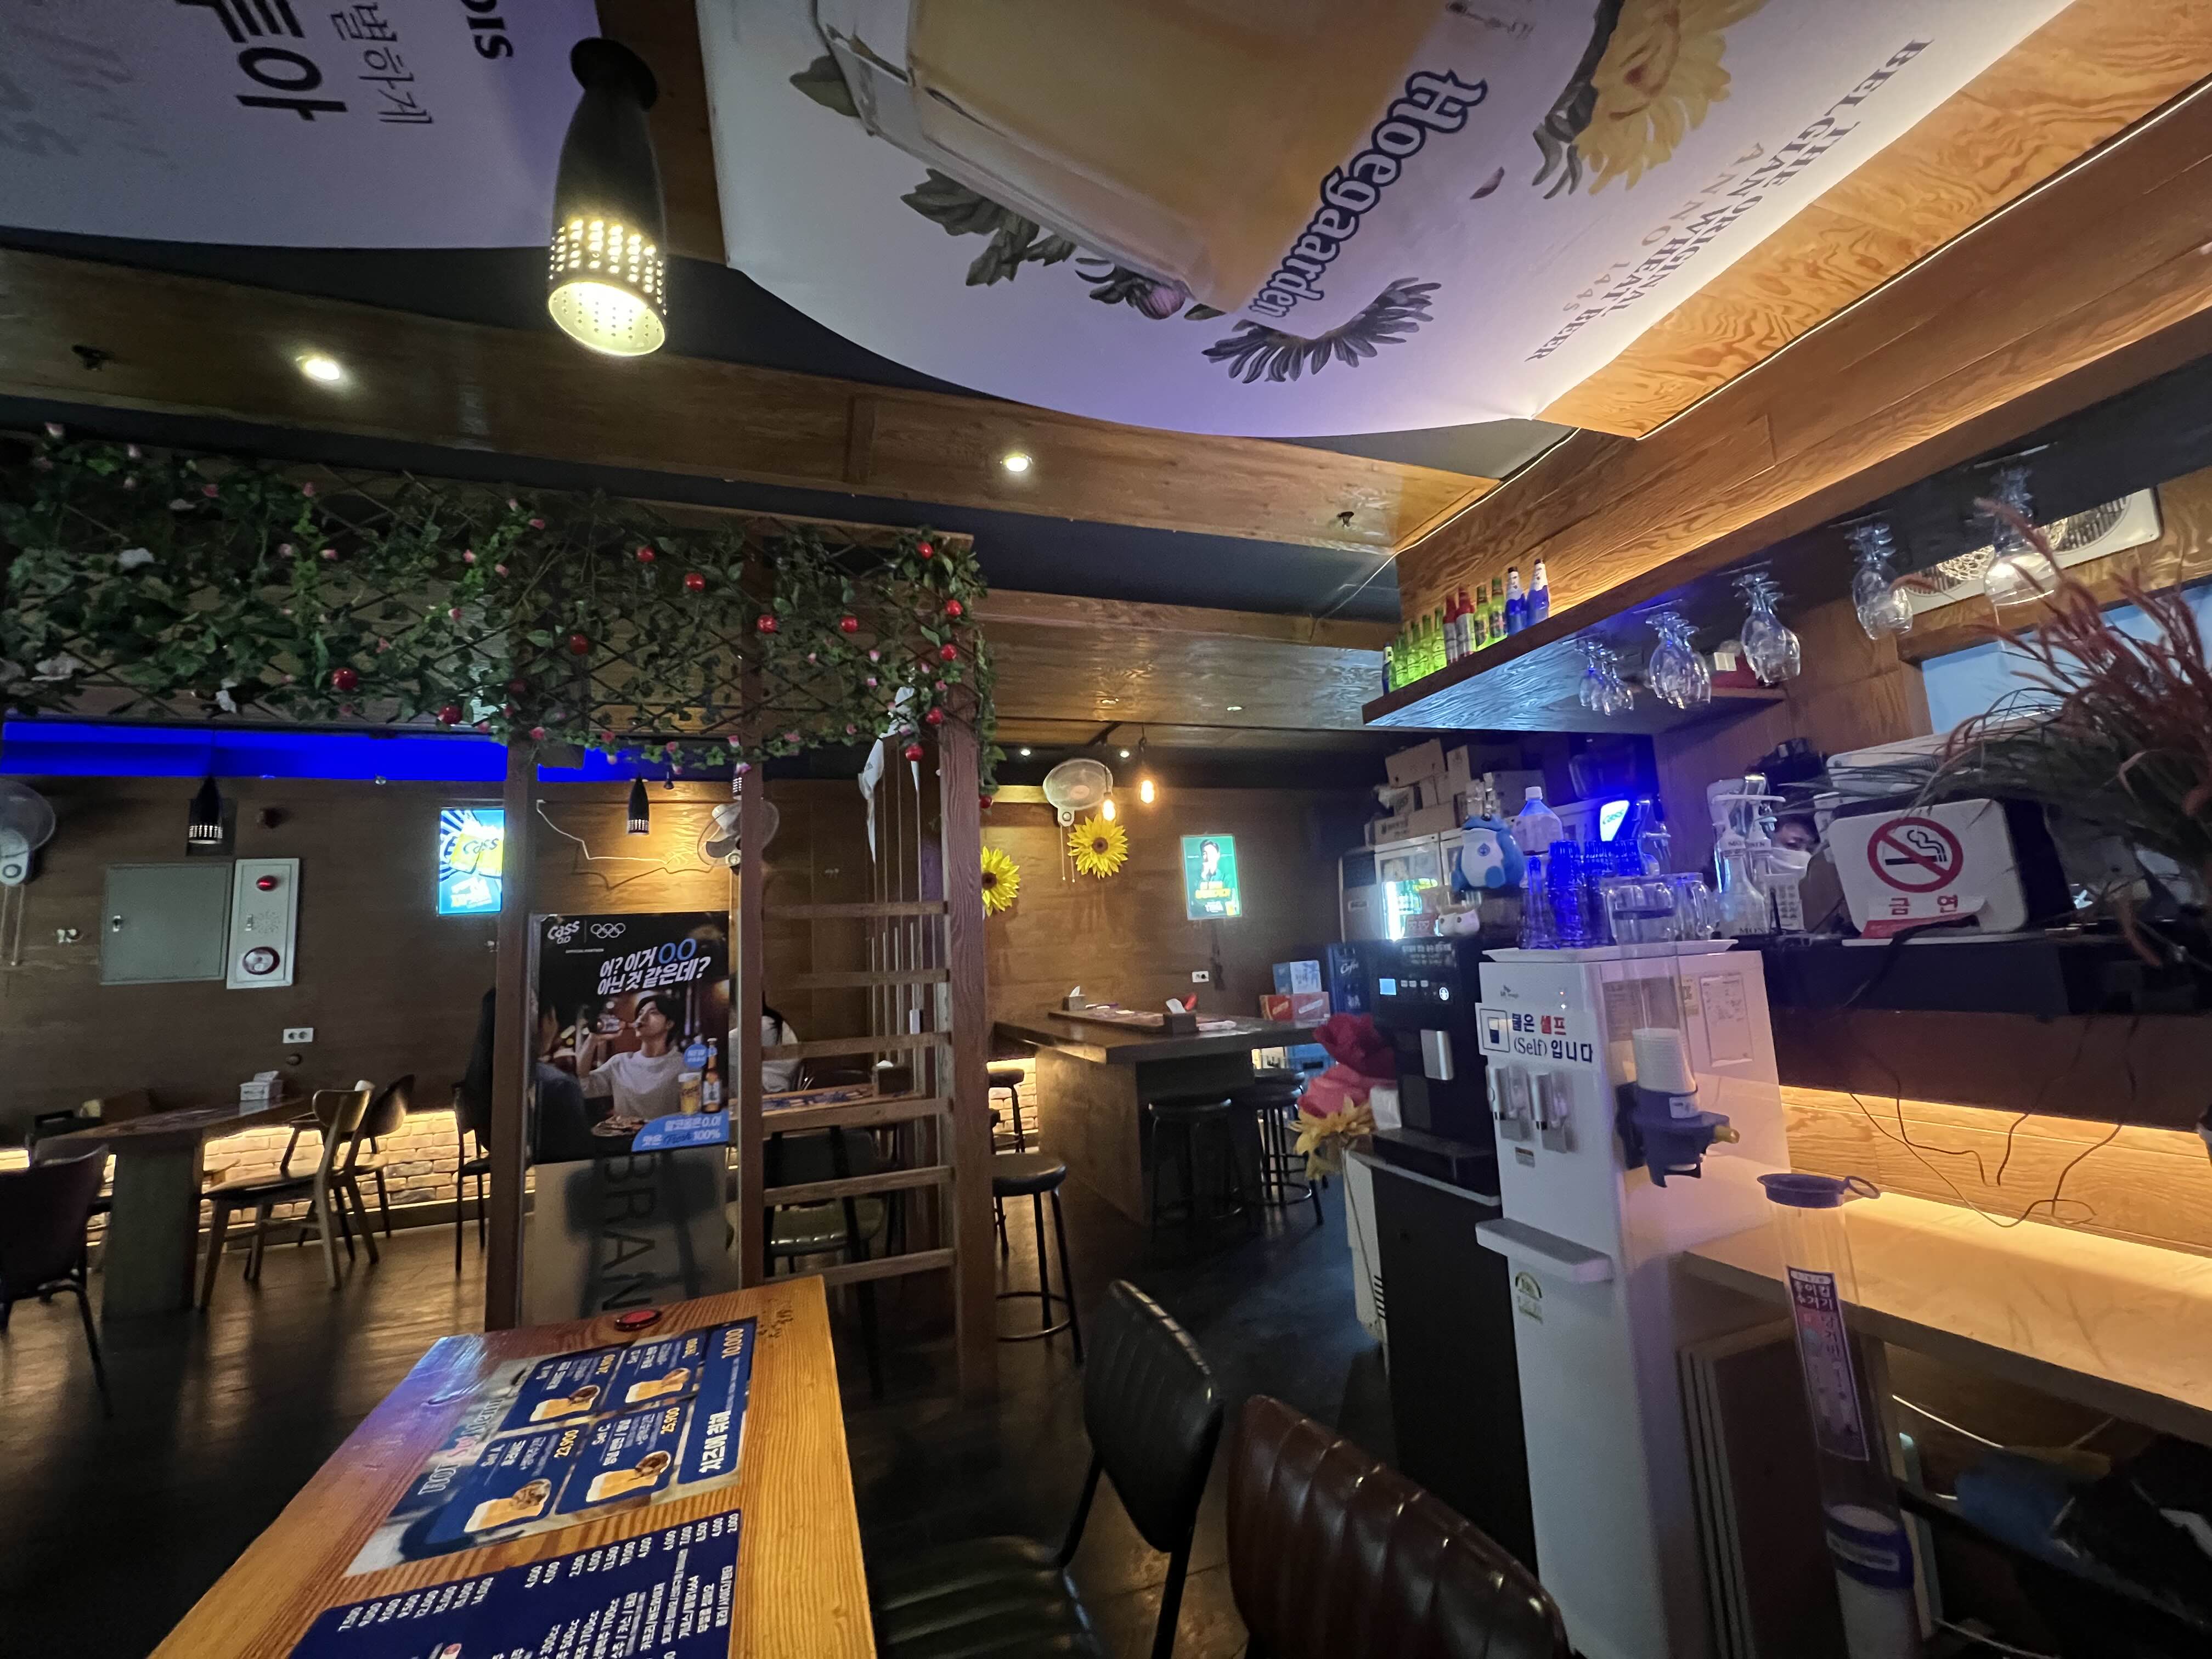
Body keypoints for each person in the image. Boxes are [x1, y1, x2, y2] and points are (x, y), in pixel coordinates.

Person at [579, 992, 689, 1120]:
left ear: (669, 1024)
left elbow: (691, 1113)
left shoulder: (684, 1065)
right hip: (624, 1133)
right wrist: (592, 1040)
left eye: (653, 1013)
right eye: (640, 1013)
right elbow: (584, 1087)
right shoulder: (620, 1063)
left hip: (663, 1133)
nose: (642, 1018)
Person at [761, 1002, 802, 1094]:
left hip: (771, 1088)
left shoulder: (765, 1025)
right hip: (778, 1086)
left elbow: (731, 1044)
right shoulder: (774, 1022)